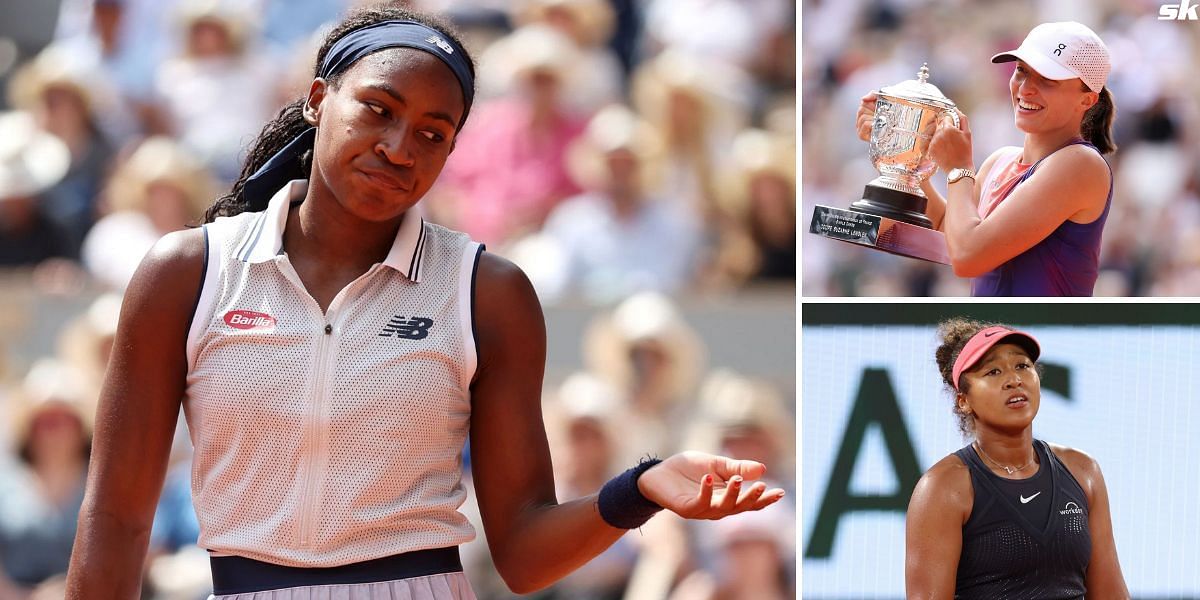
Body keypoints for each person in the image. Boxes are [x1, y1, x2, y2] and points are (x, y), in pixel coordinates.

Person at [63, 6, 784, 599]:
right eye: (378, 110)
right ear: (319, 99)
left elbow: (524, 552)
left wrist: (640, 488)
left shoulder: (487, 292)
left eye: (433, 134)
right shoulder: (185, 272)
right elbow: (118, 518)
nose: (401, 147)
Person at [856, 21, 1117, 296]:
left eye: (1047, 80)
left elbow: (968, 254)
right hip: (994, 332)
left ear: (1087, 100)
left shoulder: (1080, 163)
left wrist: (959, 169)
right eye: (1021, 71)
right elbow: (950, 236)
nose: (1025, 88)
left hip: (1040, 334)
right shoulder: (1000, 161)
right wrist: (902, 151)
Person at [905, 318, 1127, 597]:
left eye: (1022, 365)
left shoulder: (1083, 471)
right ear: (963, 401)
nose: (1014, 379)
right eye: (994, 371)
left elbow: (1111, 593)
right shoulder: (943, 488)